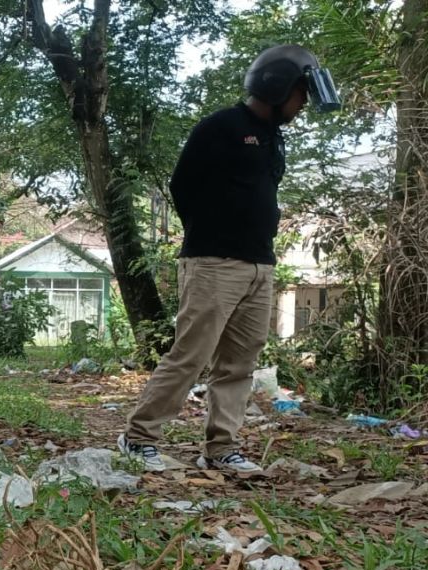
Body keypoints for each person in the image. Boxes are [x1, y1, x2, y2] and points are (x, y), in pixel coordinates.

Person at [117, 45, 341, 473]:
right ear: (278, 88)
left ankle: (221, 449)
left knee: (239, 363)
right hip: (214, 262)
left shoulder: (273, 136)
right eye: (300, 94)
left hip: (260, 264)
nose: (303, 104)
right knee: (191, 354)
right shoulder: (221, 126)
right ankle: (138, 437)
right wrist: (212, 232)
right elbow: (183, 185)